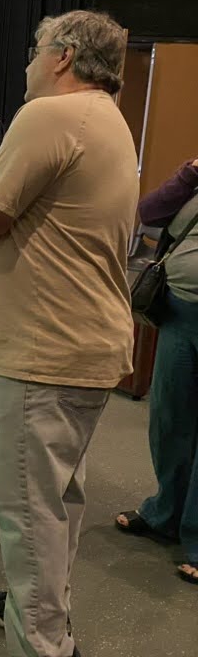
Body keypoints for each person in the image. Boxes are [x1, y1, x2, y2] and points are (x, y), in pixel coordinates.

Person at [0, 10, 138, 657]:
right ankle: (40, 614)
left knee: (30, 516)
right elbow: (31, 203)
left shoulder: (50, 116)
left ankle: (43, 644)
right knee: (59, 504)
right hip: (84, 347)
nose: (27, 63)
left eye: (37, 50)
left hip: (45, 352)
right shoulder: (103, 119)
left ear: (64, 55)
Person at [115, 157, 198, 585]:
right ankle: (165, 513)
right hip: (181, 312)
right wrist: (190, 173)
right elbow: (150, 213)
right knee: (169, 420)